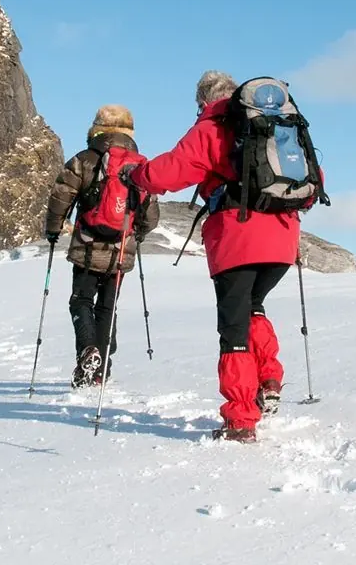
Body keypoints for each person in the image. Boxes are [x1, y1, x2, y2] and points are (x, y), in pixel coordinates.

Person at [121, 71, 318, 443]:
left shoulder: (214, 126)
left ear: (203, 100)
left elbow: (171, 172)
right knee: (252, 305)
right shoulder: (277, 125)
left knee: (233, 327)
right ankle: (269, 378)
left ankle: (241, 419)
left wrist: (137, 177)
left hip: (237, 236)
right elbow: (313, 174)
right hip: (282, 237)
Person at [43, 105, 160, 389]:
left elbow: (62, 195)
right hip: (121, 250)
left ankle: (87, 352)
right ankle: (101, 369)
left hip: (87, 245)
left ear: (96, 129)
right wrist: (138, 233)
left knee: (81, 301)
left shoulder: (84, 160)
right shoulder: (141, 165)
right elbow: (150, 214)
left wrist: (53, 228)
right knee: (107, 306)